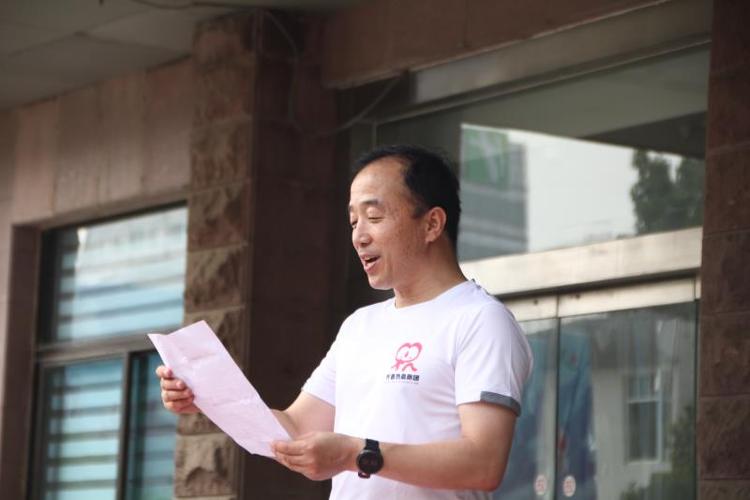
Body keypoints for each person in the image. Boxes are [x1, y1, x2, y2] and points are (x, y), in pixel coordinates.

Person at [157, 145, 533, 499]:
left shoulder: (480, 320)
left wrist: (357, 454)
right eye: (353, 221)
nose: (359, 237)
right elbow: (296, 428)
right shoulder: (360, 326)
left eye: (374, 217)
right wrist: (207, 397)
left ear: (432, 224)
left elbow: (484, 463)